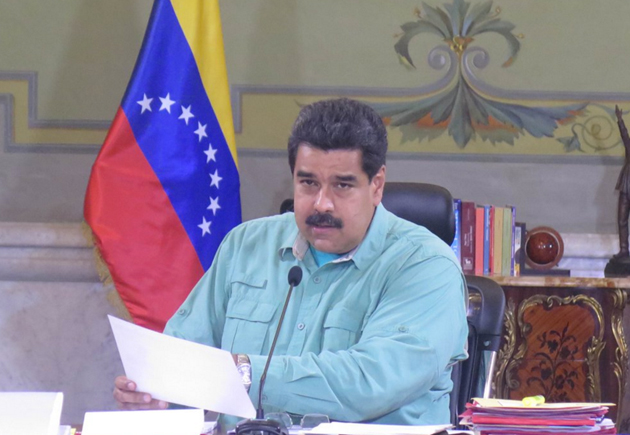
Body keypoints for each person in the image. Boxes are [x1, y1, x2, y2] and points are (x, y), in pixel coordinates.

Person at [113, 98, 468, 425]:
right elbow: (181, 358)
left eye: (342, 186)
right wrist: (156, 394)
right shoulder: (246, 245)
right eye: (308, 183)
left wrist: (244, 374)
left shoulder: (426, 266)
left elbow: (370, 382)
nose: (321, 203)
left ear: (376, 185)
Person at [614, 105, 630, 259]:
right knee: (622, 220)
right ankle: (624, 249)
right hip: (625, 189)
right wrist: (620, 120)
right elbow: (625, 135)